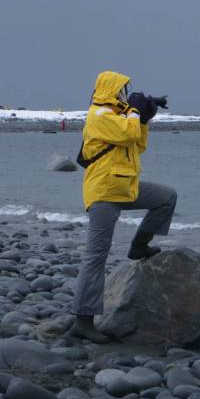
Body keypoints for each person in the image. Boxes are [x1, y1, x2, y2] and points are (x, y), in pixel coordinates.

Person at [70, 71, 177, 342]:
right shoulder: (99, 116)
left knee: (166, 198)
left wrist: (144, 119)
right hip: (104, 191)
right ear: (110, 90)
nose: (124, 94)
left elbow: (137, 144)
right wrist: (134, 113)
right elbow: (126, 133)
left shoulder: (118, 116)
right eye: (121, 90)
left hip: (125, 186)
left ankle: (139, 246)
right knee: (96, 256)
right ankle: (83, 320)